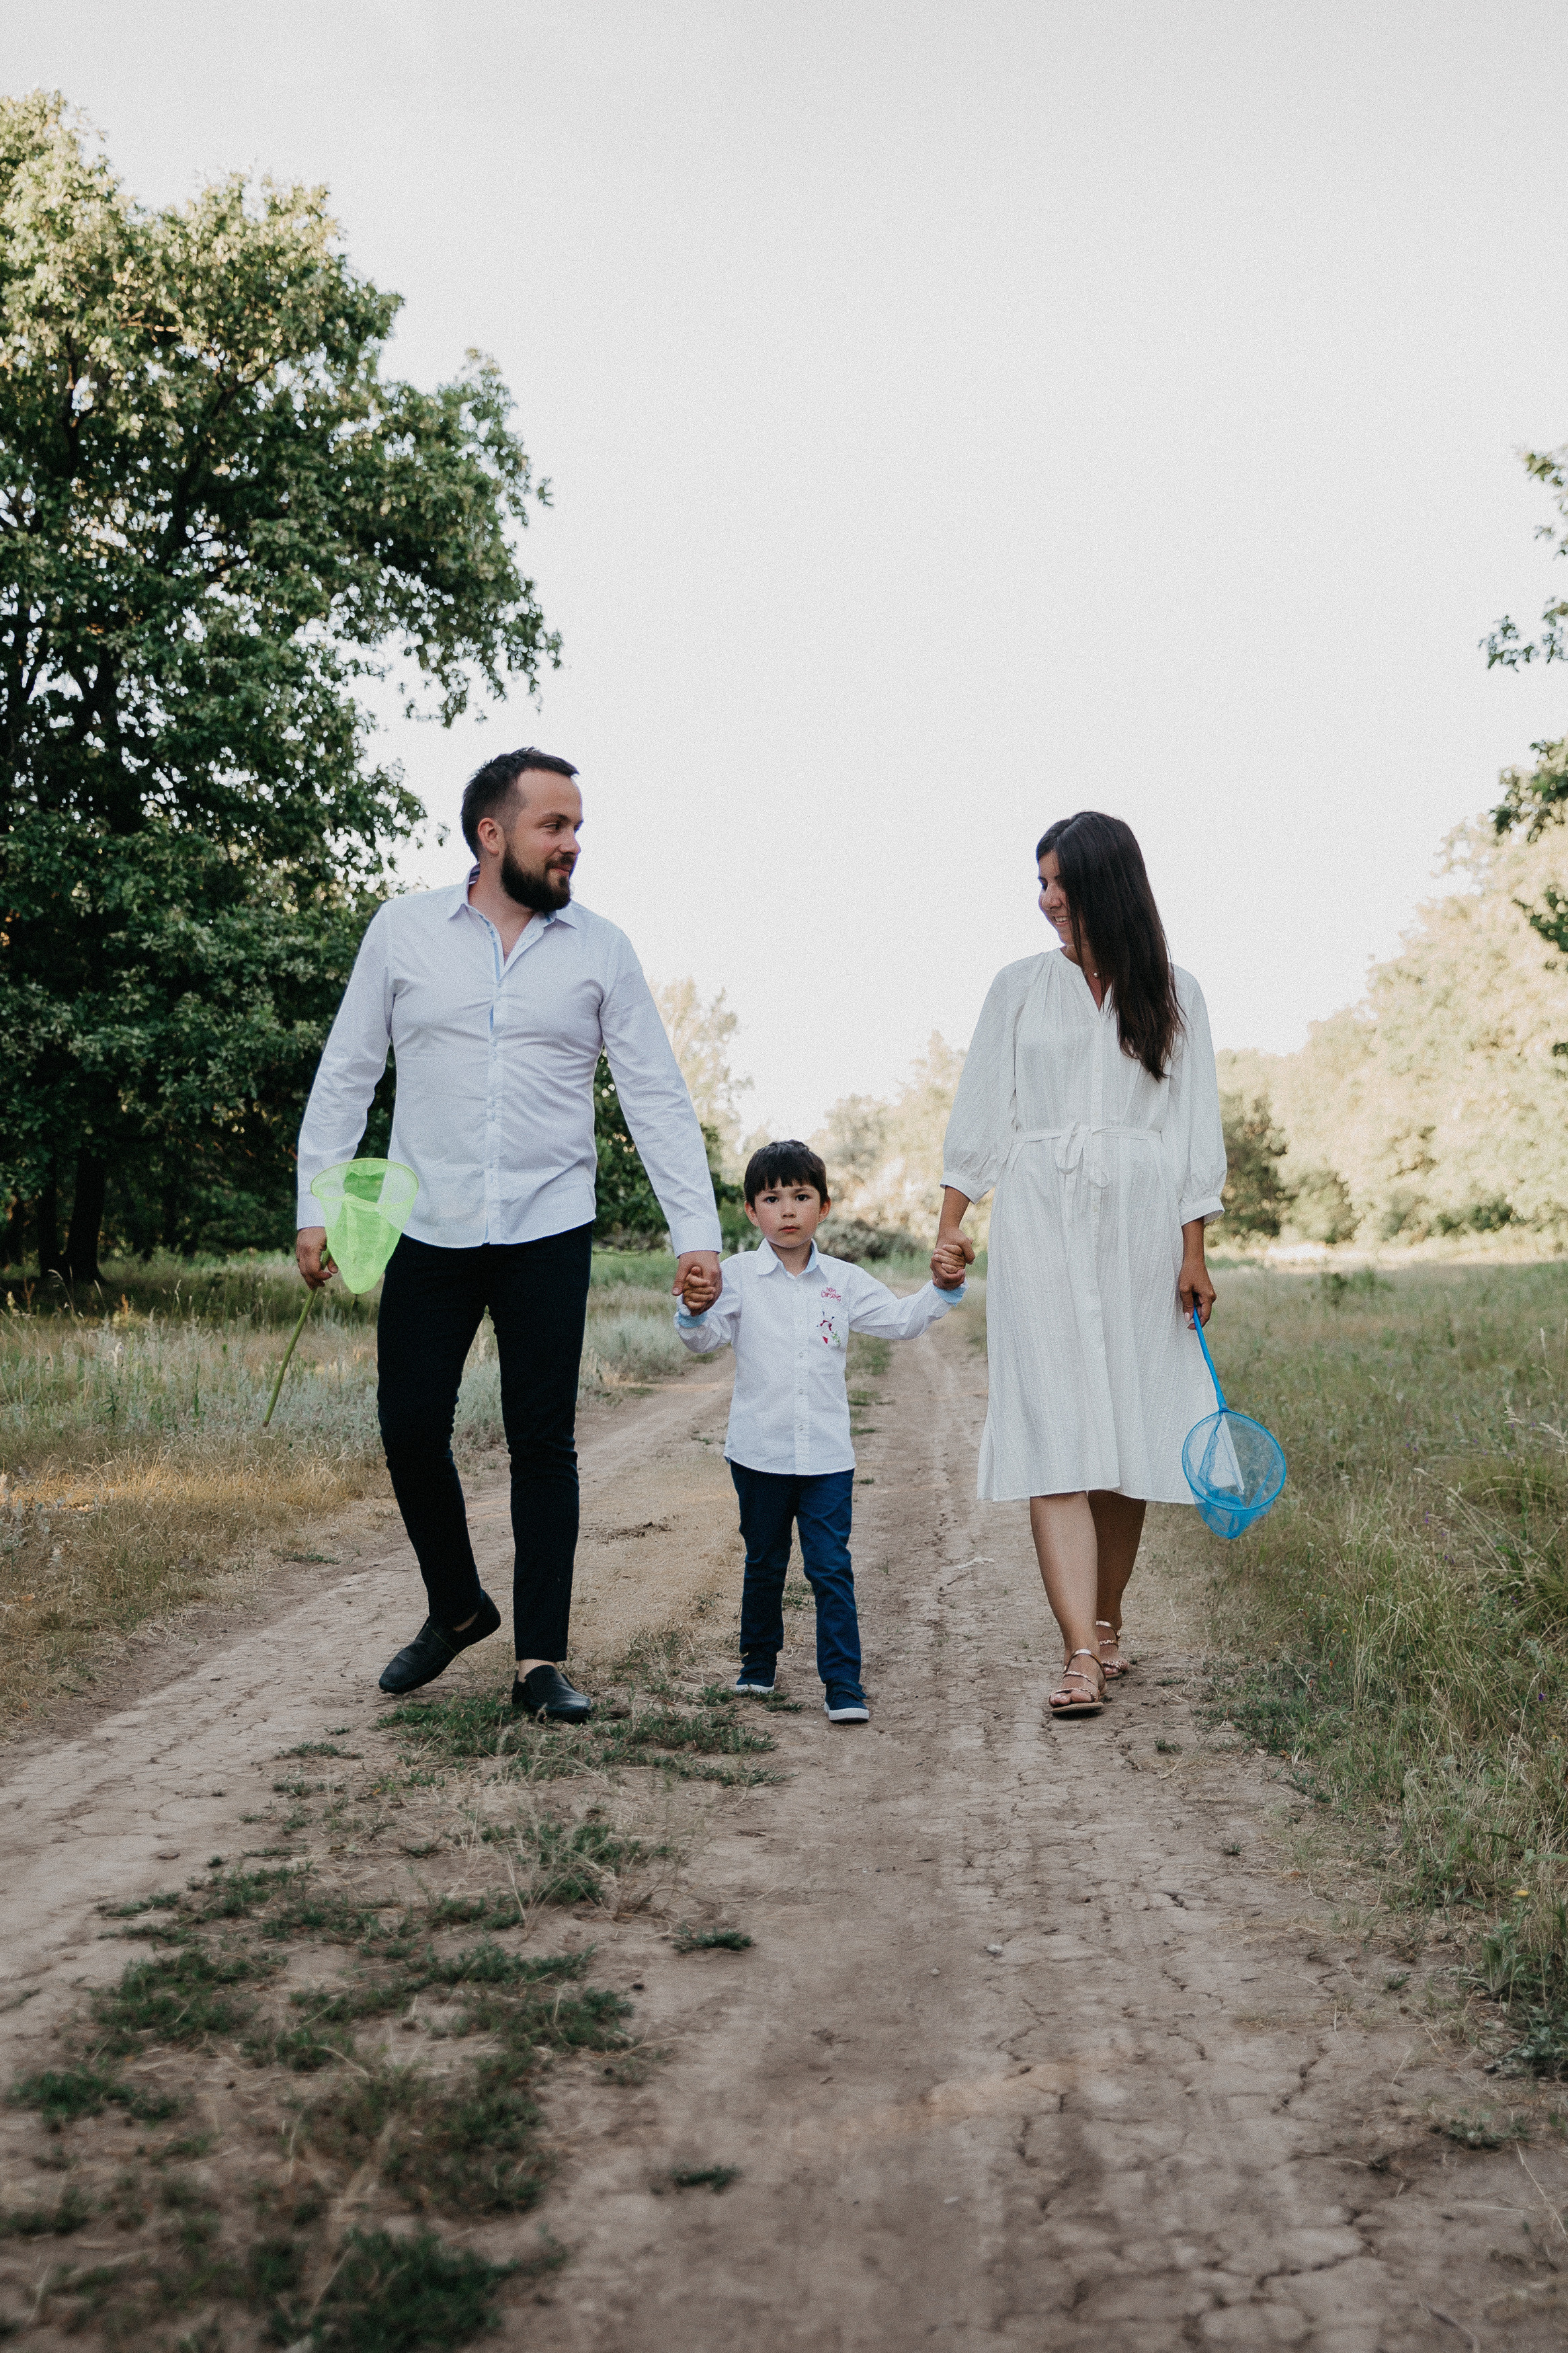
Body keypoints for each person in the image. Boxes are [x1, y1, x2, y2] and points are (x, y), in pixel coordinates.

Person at [295, 748, 722, 1721]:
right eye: (554, 826)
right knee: (408, 1427)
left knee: (543, 1444)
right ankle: (455, 1608)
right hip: (427, 1226)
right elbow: (349, 1069)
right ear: (492, 835)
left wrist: (693, 1233)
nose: (573, 844)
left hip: (547, 1224)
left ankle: (539, 1666)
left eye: (575, 826)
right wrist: (314, 1204)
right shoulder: (402, 932)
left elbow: (656, 1094)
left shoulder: (600, 949)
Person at [932, 811, 1225, 1719]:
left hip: (1139, 1224)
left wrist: (1193, 1250)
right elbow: (982, 1105)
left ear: (1108, 886)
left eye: (1059, 883)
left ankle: (1106, 1622)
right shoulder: (1016, 987)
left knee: (1126, 1438)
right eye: (1040, 884)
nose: (1046, 900)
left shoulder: (1174, 992)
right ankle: (1078, 1657)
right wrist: (951, 1225)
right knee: (1057, 1431)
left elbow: (1192, 1128)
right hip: (1040, 1222)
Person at [676, 1141, 967, 1721]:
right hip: (758, 1451)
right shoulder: (735, 1276)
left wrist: (942, 1288)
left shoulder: (844, 1281)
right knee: (764, 1559)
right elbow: (703, 1341)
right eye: (772, 1198)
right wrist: (694, 1308)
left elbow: (901, 1322)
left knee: (830, 1566)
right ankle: (757, 1666)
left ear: (824, 1207)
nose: (787, 1210)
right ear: (750, 1211)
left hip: (827, 1458)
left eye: (801, 1197)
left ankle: (842, 1684)